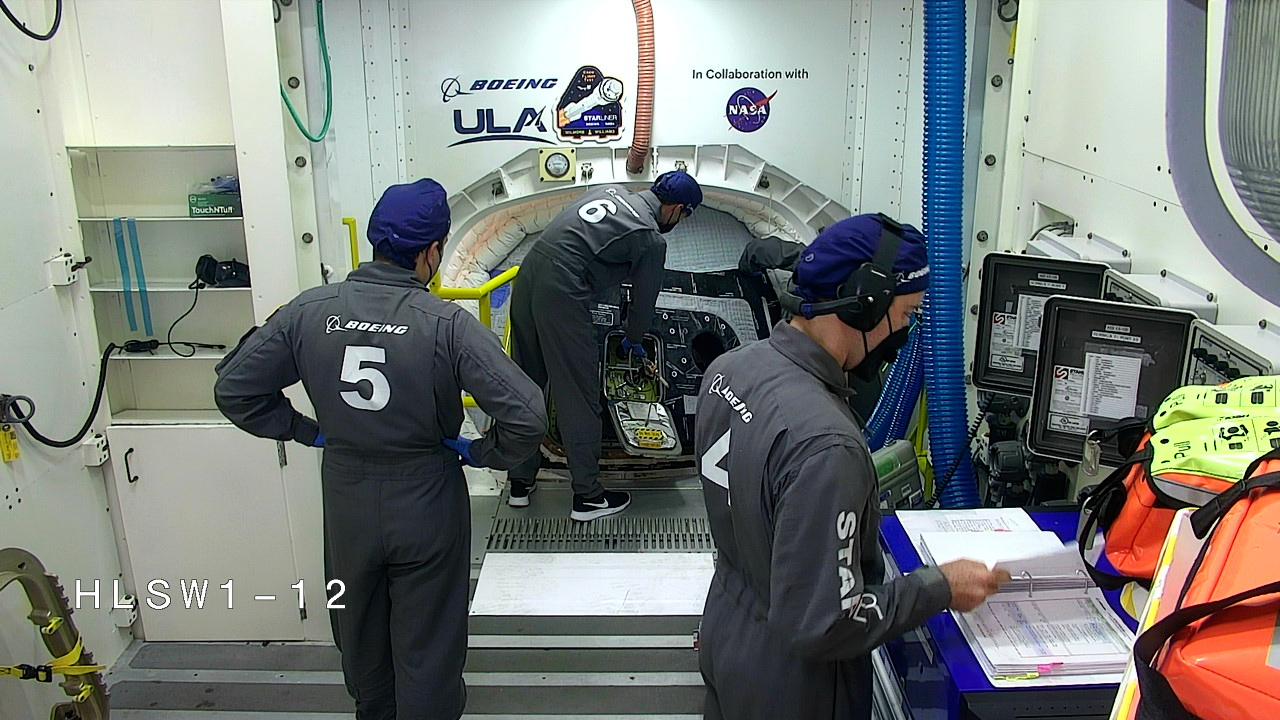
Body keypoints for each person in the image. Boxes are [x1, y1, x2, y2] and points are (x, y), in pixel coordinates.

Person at [212, 179, 547, 720]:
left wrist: (304, 430)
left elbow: (234, 389)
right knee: (429, 640)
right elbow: (527, 414)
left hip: (346, 500)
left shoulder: (308, 311)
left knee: (358, 627)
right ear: (432, 253)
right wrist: (483, 453)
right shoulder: (447, 324)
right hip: (427, 498)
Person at [695, 214, 1011, 720]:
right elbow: (825, 623)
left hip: (727, 631)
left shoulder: (732, 369)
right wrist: (941, 588)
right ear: (866, 305)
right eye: (906, 313)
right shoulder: (828, 447)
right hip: (795, 688)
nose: (906, 330)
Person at [506, 170, 703, 521]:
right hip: (562, 291)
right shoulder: (651, 239)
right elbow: (644, 302)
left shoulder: (608, 190)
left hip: (529, 273)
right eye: (686, 215)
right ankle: (588, 497)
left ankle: (520, 481)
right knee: (578, 395)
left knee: (525, 384)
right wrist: (634, 338)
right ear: (675, 208)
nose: (682, 221)